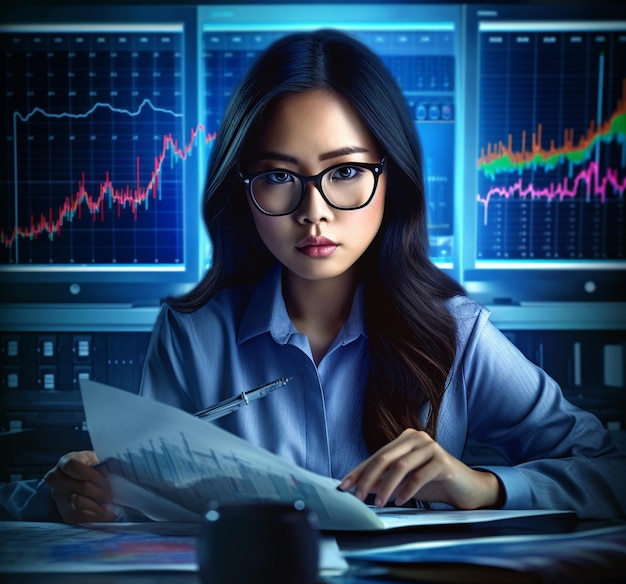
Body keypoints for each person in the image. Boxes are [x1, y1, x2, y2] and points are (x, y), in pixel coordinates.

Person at [30, 30, 626, 523]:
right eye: (280, 176)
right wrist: (82, 496)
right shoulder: (193, 334)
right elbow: (141, 511)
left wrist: (483, 487)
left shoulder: (458, 336)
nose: (314, 211)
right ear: (245, 191)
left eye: (344, 172)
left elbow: (609, 470)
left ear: (391, 178)